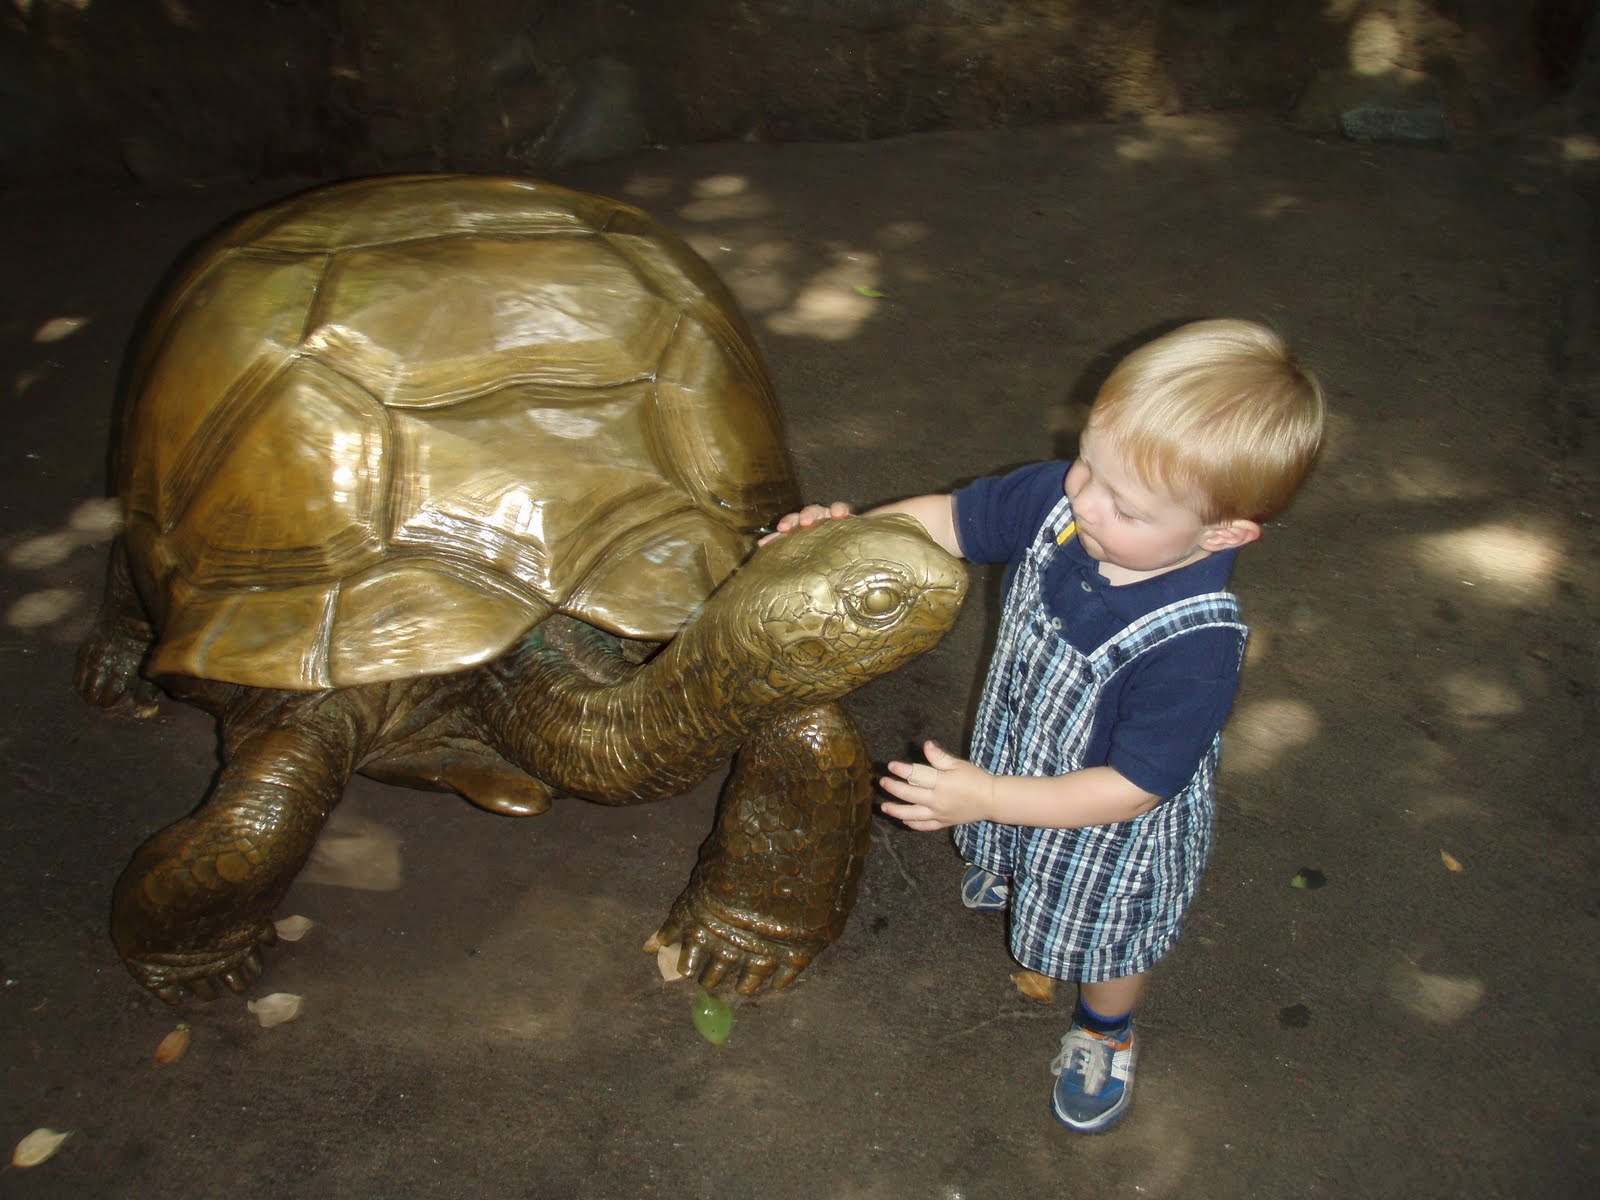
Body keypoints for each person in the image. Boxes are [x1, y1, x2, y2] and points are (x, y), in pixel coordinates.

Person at [764, 318, 1325, 1133]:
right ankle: (1016, 865)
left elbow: (1131, 790)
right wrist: (852, 540)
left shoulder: (1196, 646)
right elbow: (954, 519)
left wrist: (988, 793)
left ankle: (1107, 1028)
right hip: (1023, 743)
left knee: (1106, 944)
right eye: (1087, 464)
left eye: (1124, 505)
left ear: (1224, 533)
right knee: (1003, 828)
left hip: (1107, 825)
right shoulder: (1068, 499)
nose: (1083, 500)